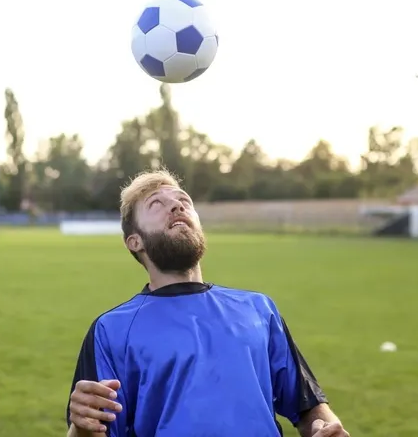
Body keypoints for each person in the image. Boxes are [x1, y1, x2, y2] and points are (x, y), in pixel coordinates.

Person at [66, 169, 349, 437]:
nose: (177, 207)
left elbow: (309, 406)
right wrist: (80, 428)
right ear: (134, 241)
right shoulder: (111, 330)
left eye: (183, 201)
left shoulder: (259, 309)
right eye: (156, 204)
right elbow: (94, 426)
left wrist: (326, 428)